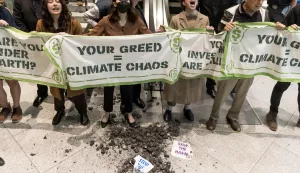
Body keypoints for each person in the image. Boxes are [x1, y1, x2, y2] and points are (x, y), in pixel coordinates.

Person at [206, 0, 273, 132]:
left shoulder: (264, 14)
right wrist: (225, 29)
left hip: (251, 62)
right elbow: (218, 32)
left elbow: (269, 33)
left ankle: (233, 116)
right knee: (223, 90)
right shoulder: (230, 12)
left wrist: (281, 28)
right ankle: (213, 117)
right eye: (257, 0)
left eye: (262, 0)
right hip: (233, 60)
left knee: (242, 92)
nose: (260, 2)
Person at [85, 0, 151, 128]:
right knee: (108, 87)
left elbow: (149, 35)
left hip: (128, 62)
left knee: (128, 88)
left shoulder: (136, 19)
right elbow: (91, 35)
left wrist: (164, 34)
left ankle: (128, 112)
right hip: (111, 61)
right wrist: (69, 37)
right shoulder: (106, 20)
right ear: (114, 2)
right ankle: (107, 112)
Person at [37, 0, 89, 126]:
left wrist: (69, 38)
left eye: (57, 1)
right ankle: (60, 111)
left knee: (77, 90)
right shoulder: (41, 24)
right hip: (53, 64)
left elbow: (82, 42)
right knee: (56, 91)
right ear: (46, 6)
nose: (54, 4)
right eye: (50, 1)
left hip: (71, 64)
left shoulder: (73, 23)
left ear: (62, 5)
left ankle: (82, 111)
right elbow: (38, 43)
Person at [163, 0, 213, 122]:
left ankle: (187, 107)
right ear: (183, 3)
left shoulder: (205, 19)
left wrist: (210, 33)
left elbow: (208, 42)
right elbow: (171, 39)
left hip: (194, 60)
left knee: (191, 84)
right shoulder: (175, 19)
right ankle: (169, 109)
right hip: (179, 59)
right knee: (174, 84)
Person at [266, 4, 300, 131]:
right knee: (282, 85)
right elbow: (282, 29)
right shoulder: (297, 10)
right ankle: (272, 113)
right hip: (291, 58)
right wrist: (289, 28)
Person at [198, 0, 238, 99]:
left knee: (224, 56)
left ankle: (227, 83)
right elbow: (195, 7)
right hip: (207, 29)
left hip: (225, 29)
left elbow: (235, 10)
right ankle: (210, 85)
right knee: (210, 57)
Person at [13, 0, 49, 107]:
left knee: (58, 65)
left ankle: (64, 92)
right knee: (38, 67)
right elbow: (18, 20)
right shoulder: (19, 1)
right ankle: (42, 93)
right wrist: (29, 37)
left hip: (52, 35)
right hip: (32, 39)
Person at [0, 1, 23, 123]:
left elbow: (15, 30)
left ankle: (17, 106)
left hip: (5, 54)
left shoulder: (4, 11)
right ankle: (5, 107)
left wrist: (6, 27)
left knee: (12, 81)